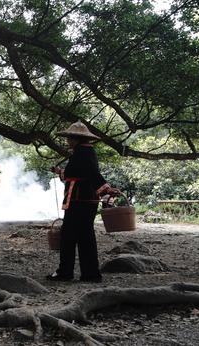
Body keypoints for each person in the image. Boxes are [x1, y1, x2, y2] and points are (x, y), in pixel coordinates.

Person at [47, 121, 120, 283]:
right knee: (84, 236)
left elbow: (93, 174)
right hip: (84, 201)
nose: (67, 141)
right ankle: (89, 274)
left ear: (75, 138)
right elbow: (77, 173)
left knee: (69, 237)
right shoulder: (82, 152)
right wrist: (60, 172)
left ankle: (67, 272)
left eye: (69, 138)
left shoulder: (83, 152)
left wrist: (106, 189)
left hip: (80, 201)